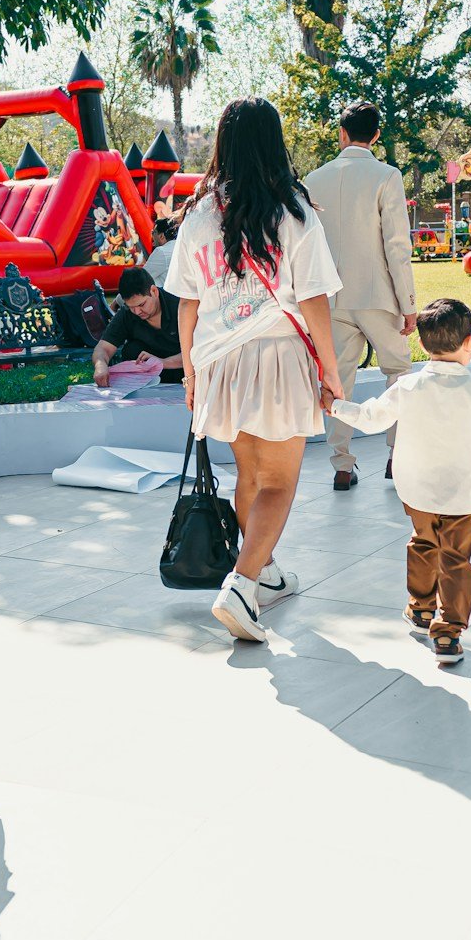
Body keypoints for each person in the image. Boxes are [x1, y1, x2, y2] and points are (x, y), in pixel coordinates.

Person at [169, 97, 347, 645]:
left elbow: (186, 303)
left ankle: (264, 573)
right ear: (274, 143)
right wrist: (332, 371)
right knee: (279, 481)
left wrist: (192, 376)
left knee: (250, 474)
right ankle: (242, 587)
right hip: (277, 355)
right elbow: (313, 296)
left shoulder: (199, 214)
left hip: (221, 360)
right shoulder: (294, 209)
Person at [326, 298, 471, 665]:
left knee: (423, 543)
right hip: (465, 497)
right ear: (469, 342)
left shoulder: (407, 387)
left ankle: (421, 608)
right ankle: (448, 634)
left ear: (423, 345)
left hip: (417, 493)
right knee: (456, 559)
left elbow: (370, 418)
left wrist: (334, 406)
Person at [300, 100, 416, 491]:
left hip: (329, 297)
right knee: (398, 373)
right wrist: (409, 304)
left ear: (341, 132)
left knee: (339, 381)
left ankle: (342, 465)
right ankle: (395, 455)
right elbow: (397, 246)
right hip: (379, 293)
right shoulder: (387, 175)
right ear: (377, 135)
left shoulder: (314, 179)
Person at [91, 266, 184, 385]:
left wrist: (161, 362)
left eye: (142, 304)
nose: (137, 312)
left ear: (154, 291)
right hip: (146, 382)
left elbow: (197, 350)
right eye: (131, 307)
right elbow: (103, 348)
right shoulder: (127, 313)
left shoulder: (179, 304)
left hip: (184, 373)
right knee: (131, 349)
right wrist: (101, 365)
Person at [143, 210, 179, 285]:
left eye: (153, 232)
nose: (152, 236)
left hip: (166, 295)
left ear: (161, 236)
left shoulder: (161, 251)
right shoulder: (181, 247)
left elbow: (141, 277)